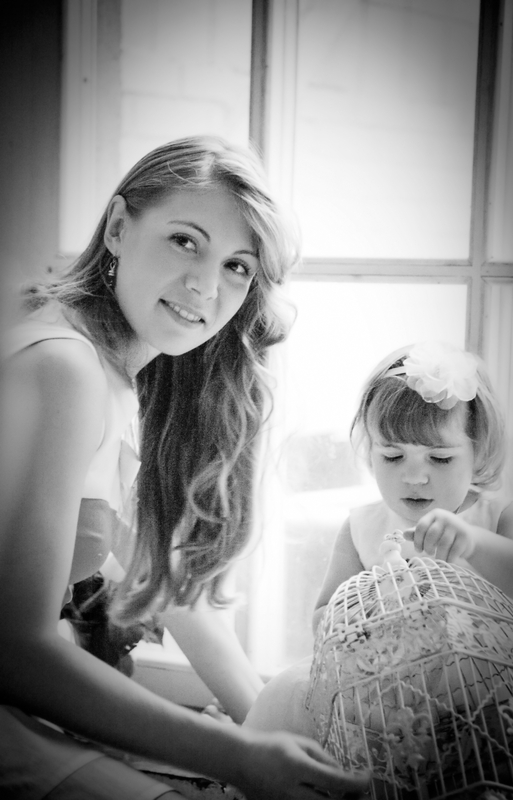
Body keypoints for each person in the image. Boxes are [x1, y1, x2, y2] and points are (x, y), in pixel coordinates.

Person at [0, 136, 368, 800]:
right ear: (118, 227)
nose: (205, 285)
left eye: (237, 266)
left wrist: (270, 725)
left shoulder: (117, 376)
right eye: (184, 241)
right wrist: (238, 756)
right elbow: (15, 649)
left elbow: (165, 584)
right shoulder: (64, 368)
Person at [244, 340, 513, 736]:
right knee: (290, 693)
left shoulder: (497, 515)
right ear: (371, 450)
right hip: (386, 706)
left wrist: (475, 543)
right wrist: (366, 617)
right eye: (393, 456)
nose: (414, 476)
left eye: (440, 458)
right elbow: (324, 615)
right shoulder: (363, 527)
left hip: (490, 706)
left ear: (477, 452)